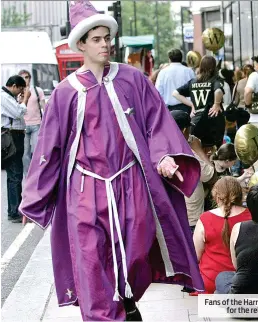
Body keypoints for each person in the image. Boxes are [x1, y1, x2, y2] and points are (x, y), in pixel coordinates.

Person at [19, 2, 203, 320]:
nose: (105, 44)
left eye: (107, 37)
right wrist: (34, 199)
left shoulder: (132, 80)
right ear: (81, 44)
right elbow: (49, 149)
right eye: (96, 39)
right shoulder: (64, 94)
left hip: (130, 185)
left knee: (136, 257)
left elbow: (156, 123)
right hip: (84, 190)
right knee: (90, 264)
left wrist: (164, 158)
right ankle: (105, 314)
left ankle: (125, 301)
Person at [192, 176, 252, 294]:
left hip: (210, 280)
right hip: (242, 280)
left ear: (216, 197)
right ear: (240, 195)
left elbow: (196, 256)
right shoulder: (251, 215)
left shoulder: (205, 218)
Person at [171, 110, 215, 232]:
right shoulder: (187, 151)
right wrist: (198, 149)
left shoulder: (163, 144)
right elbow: (210, 176)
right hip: (191, 218)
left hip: (173, 214)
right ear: (185, 130)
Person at [173, 56, 225, 149]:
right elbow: (218, 91)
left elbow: (175, 93)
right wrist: (216, 104)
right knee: (214, 150)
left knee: (198, 149)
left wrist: (192, 104)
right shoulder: (214, 80)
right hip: (213, 120)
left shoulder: (193, 81)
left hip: (196, 120)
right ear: (214, 66)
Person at [2, 75, 29, 223]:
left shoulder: (8, 97)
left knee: (13, 175)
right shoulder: (4, 97)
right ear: (13, 85)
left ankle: (14, 209)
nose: (20, 92)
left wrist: (19, 102)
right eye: (19, 89)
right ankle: (14, 212)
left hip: (15, 136)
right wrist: (24, 101)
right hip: (11, 138)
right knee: (15, 175)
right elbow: (18, 113)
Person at [18, 70, 45, 174]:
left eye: (27, 77)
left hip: (36, 124)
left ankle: (36, 174)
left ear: (30, 78)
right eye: (22, 77)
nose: (25, 79)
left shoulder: (37, 90)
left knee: (36, 151)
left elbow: (44, 107)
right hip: (23, 126)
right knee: (25, 154)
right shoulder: (18, 92)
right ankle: (28, 176)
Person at [155, 48, 196, 113]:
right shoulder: (189, 71)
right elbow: (194, 89)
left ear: (169, 59)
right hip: (187, 107)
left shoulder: (163, 72)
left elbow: (158, 92)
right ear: (181, 58)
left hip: (169, 109)